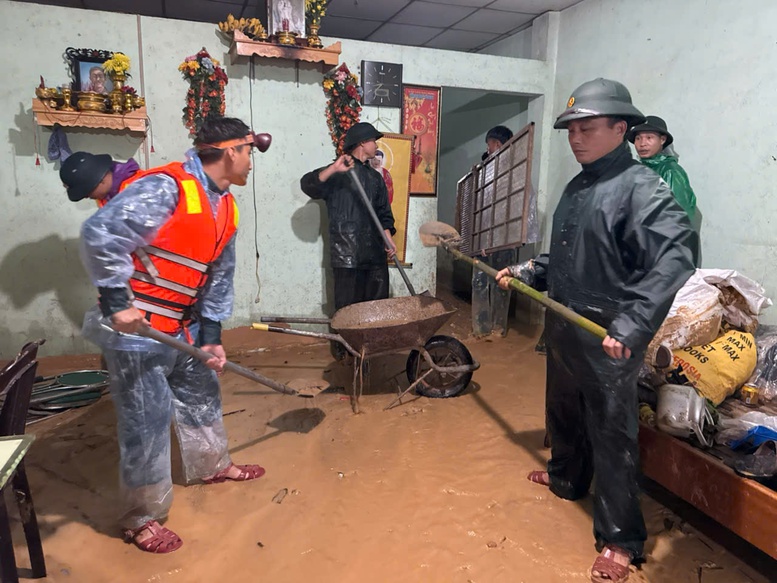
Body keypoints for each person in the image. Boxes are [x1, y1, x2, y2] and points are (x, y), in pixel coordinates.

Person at [496, 79, 698, 582]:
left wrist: (633, 322)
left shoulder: (640, 186)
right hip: (565, 323)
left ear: (620, 129)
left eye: (587, 129)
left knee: (611, 433)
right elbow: (567, 254)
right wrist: (529, 271)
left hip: (608, 333)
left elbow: (676, 256)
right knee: (563, 408)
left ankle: (620, 539)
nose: (576, 139)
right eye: (571, 131)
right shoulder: (578, 185)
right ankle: (566, 479)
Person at [79, 117, 270, 554]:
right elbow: (100, 233)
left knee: (202, 395)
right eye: (248, 153)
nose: (250, 162)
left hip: (184, 328)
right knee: (145, 424)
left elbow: (219, 276)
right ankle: (140, 518)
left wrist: (212, 335)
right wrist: (116, 301)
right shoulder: (167, 188)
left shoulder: (225, 205)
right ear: (230, 152)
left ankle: (211, 465)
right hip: (138, 330)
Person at [300, 122, 397, 357]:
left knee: (375, 307)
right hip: (347, 255)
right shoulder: (337, 173)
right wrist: (334, 169)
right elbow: (308, 185)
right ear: (362, 143)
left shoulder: (375, 179)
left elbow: (383, 213)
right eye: (373, 141)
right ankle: (345, 355)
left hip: (374, 255)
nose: (376, 145)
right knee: (347, 311)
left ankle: (370, 354)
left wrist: (388, 239)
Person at [627, 115, 697, 220]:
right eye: (638, 138)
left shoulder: (670, 172)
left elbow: (679, 215)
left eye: (649, 138)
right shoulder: (638, 170)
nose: (642, 144)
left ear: (662, 140)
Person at [60, 151, 140, 206]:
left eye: (87, 192)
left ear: (101, 180)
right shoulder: (108, 196)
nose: (87, 197)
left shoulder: (137, 190)